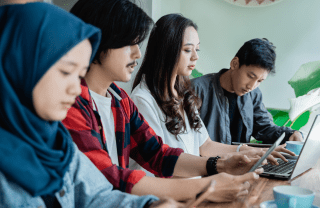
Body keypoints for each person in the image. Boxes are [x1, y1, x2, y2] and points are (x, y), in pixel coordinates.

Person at [63, 0, 262, 203]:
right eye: (128, 43)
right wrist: (205, 186)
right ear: (97, 40)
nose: (137, 53)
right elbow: (110, 179)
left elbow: (157, 153)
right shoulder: (70, 104)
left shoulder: (119, 99)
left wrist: (218, 165)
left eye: (137, 44)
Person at [0, 2, 180, 207]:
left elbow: (97, 196)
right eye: (66, 72)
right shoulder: (72, 115)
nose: (76, 89)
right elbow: (111, 179)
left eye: (79, 75)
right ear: (19, 63)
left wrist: (150, 205)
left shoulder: (58, 144)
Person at [130, 14, 294, 178]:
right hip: (177, 194)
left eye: (197, 49)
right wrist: (218, 171)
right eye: (188, 50)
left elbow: (205, 145)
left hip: (196, 187)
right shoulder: (143, 99)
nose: (196, 57)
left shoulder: (183, 94)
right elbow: (158, 164)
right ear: (166, 49)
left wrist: (256, 152)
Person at [191, 38, 303, 145]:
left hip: (242, 162)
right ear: (234, 63)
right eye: (250, 76)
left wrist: (291, 134)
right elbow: (190, 141)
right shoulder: (196, 89)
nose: (252, 86)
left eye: (260, 81)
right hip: (208, 163)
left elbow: (264, 127)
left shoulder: (254, 94)